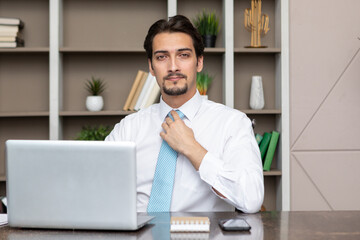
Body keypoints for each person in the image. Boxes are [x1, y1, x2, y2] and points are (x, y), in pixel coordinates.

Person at [105, 15, 264, 213]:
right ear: (151, 67)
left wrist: (192, 148)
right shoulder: (128, 129)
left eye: (183, 55)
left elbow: (251, 199)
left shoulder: (232, 124)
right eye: (162, 57)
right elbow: (98, 189)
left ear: (199, 62)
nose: (173, 67)